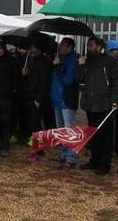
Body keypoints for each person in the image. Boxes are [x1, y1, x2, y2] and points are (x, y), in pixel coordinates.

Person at [78, 37, 118, 175]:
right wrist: (81, 65)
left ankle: (105, 164)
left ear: (99, 46)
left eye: (91, 45)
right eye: (87, 45)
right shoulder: (88, 61)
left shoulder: (110, 62)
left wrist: (114, 101)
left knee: (106, 136)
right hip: (91, 104)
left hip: (105, 105)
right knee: (93, 134)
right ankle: (94, 160)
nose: (88, 48)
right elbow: (79, 79)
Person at [50, 37, 79, 168]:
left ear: (69, 47)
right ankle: (64, 153)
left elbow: (68, 80)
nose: (60, 47)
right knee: (61, 129)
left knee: (69, 129)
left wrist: (58, 66)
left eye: (63, 45)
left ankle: (71, 157)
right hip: (57, 98)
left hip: (66, 99)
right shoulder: (59, 58)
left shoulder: (73, 61)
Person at [22, 44, 52, 158]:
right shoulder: (31, 60)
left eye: (34, 47)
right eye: (31, 48)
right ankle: (38, 148)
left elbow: (44, 82)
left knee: (35, 125)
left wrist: (38, 99)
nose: (31, 50)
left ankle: (36, 149)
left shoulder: (44, 62)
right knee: (33, 124)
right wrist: (25, 74)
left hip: (38, 98)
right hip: (30, 96)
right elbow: (30, 79)